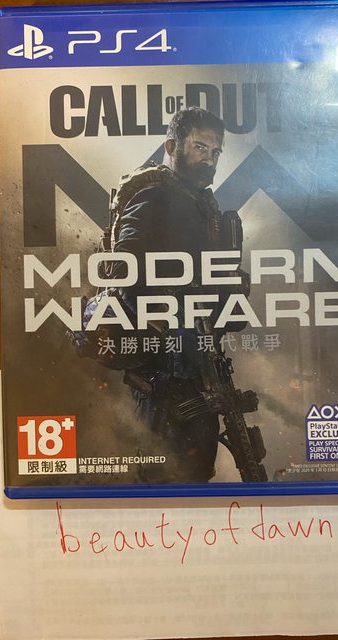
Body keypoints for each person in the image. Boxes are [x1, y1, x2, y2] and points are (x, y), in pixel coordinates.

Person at [106, 107, 247, 483]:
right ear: (172, 146)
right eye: (200, 147)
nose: (209, 159)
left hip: (198, 367)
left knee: (199, 471)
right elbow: (122, 271)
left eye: (216, 152)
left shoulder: (201, 205)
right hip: (163, 375)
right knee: (163, 477)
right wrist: (168, 325)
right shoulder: (154, 197)